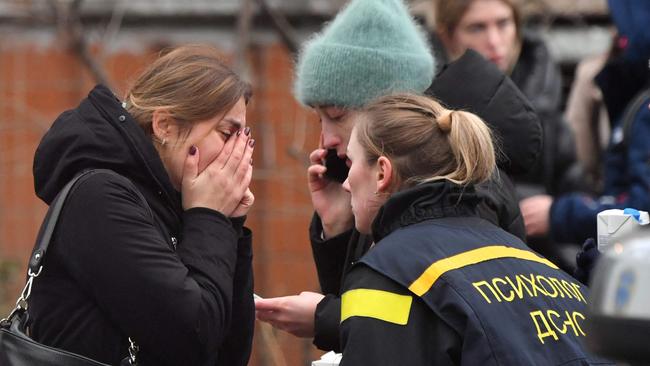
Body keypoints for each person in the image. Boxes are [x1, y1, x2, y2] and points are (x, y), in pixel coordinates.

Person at [255, 0, 542, 352]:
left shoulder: (459, 188)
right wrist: (339, 228)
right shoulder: (392, 186)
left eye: (337, 115)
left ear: (388, 105)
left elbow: (433, 328)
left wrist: (326, 318)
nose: (326, 140)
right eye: (320, 119)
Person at [337, 93, 611, 365]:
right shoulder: (541, 268)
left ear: (382, 173)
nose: (346, 184)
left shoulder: (389, 272)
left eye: (350, 163)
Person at [29, 45, 256, 366]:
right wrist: (211, 217)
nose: (239, 153)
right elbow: (192, 339)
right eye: (227, 133)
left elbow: (228, 354)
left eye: (244, 137)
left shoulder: (179, 206)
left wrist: (229, 224)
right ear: (164, 125)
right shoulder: (100, 199)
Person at [520, 0, 650, 246]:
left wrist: (560, 215)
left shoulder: (643, 107)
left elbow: (642, 211)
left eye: (620, 27)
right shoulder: (616, 83)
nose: (614, 37)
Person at [433, 0, 575, 197]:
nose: (494, 41)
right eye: (476, 28)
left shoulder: (544, 90)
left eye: (503, 23)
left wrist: (555, 211)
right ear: (447, 37)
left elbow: (572, 176)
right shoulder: (430, 106)